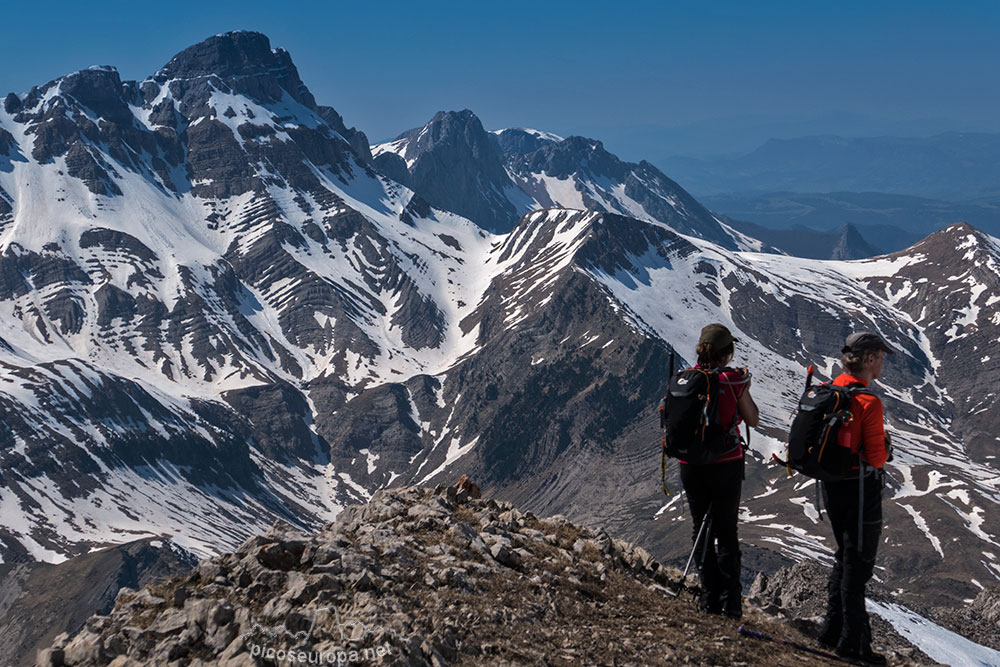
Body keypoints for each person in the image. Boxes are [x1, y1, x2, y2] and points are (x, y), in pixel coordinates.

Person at [818, 331, 893, 665]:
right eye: (881, 356)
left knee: (844, 557)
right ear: (870, 358)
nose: (884, 362)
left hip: (834, 488)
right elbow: (877, 458)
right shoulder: (867, 402)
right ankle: (853, 646)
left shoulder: (831, 390)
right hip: (862, 492)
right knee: (857, 567)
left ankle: (830, 633)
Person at [679, 323, 759, 619]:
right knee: (726, 532)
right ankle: (731, 604)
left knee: (699, 528)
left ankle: (707, 599)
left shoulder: (686, 379)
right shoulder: (732, 380)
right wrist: (745, 388)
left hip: (690, 464)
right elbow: (753, 419)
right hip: (725, 463)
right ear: (727, 353)